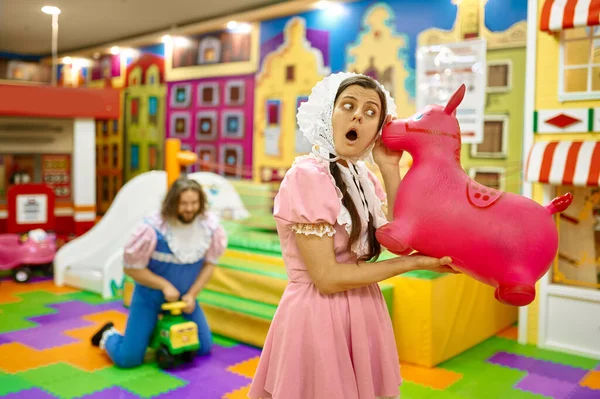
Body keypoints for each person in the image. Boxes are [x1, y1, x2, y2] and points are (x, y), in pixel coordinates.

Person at [248, 72, 456, 399]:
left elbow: (406, 232)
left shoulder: (364, 178)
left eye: (371, 112)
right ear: (327, 114)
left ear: (376, 131)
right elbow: (327, 278)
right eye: (348, 105)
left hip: (363, 308)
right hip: (318, 314)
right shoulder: (307, 176)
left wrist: (388, 166)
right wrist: (409, 265)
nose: (358, 115)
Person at [90, 177, 227, 368]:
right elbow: (131, 268)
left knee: (203, 347)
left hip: (183, 301)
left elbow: (210, 265)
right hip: (149, 298)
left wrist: (192, 295)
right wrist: (163, 285)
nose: (189, 209)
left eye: (194, 203)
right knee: (127, 359)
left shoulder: (209, 228)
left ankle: (151, 333)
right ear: (173, 203)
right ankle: (108, 334)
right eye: (184, 203)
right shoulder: (154, 228)